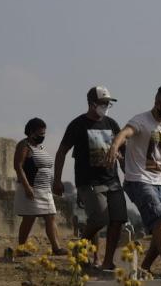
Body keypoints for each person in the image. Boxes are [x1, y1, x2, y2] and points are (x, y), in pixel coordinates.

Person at [104, 85, 161, 280]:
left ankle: (144, 267)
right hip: (138, 180)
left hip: (158, 182)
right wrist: (114, 147)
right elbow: (124, 133)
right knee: (159, 220)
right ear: (157, 102)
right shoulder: (140, 121)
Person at [53, 85, 128, 271]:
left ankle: (107, 261)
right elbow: (62, 151)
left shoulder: (111, 124)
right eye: (103, 103)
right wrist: (57, 179)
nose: (106, 106)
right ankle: (79, 247)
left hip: (112, 180)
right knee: (99, 219)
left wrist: (126, 168)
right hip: (89, 181)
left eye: (108, 103)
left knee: (118, 219)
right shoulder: (78, 125)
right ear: (91, 103)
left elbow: (124, 151)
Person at [14, 117, 65, 254]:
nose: (42, 136)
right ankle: (21, 248)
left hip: (45, 189)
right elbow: (18, 166)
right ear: (31, 132)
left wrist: (54, 183)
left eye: (44, 134)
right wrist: (27, 187)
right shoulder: (24, 146)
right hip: (32, 188)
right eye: (40, 134)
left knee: (51, 216)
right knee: (29, 218)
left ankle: (56, 247)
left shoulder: (40, 147)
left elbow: (47, 168)